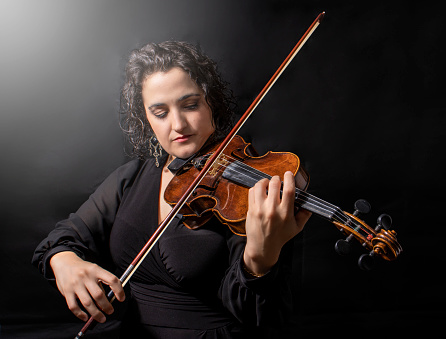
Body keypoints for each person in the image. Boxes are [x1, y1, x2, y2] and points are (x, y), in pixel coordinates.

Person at [32, 40, 311, 338]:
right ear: (146, 118)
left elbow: (261, 318)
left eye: (190, 105)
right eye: (160, 112)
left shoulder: (247, 188)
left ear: (211, 104)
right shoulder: (132, 178)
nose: (178, 124)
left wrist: (260, 258)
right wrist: (64, 261)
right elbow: (61, 238)